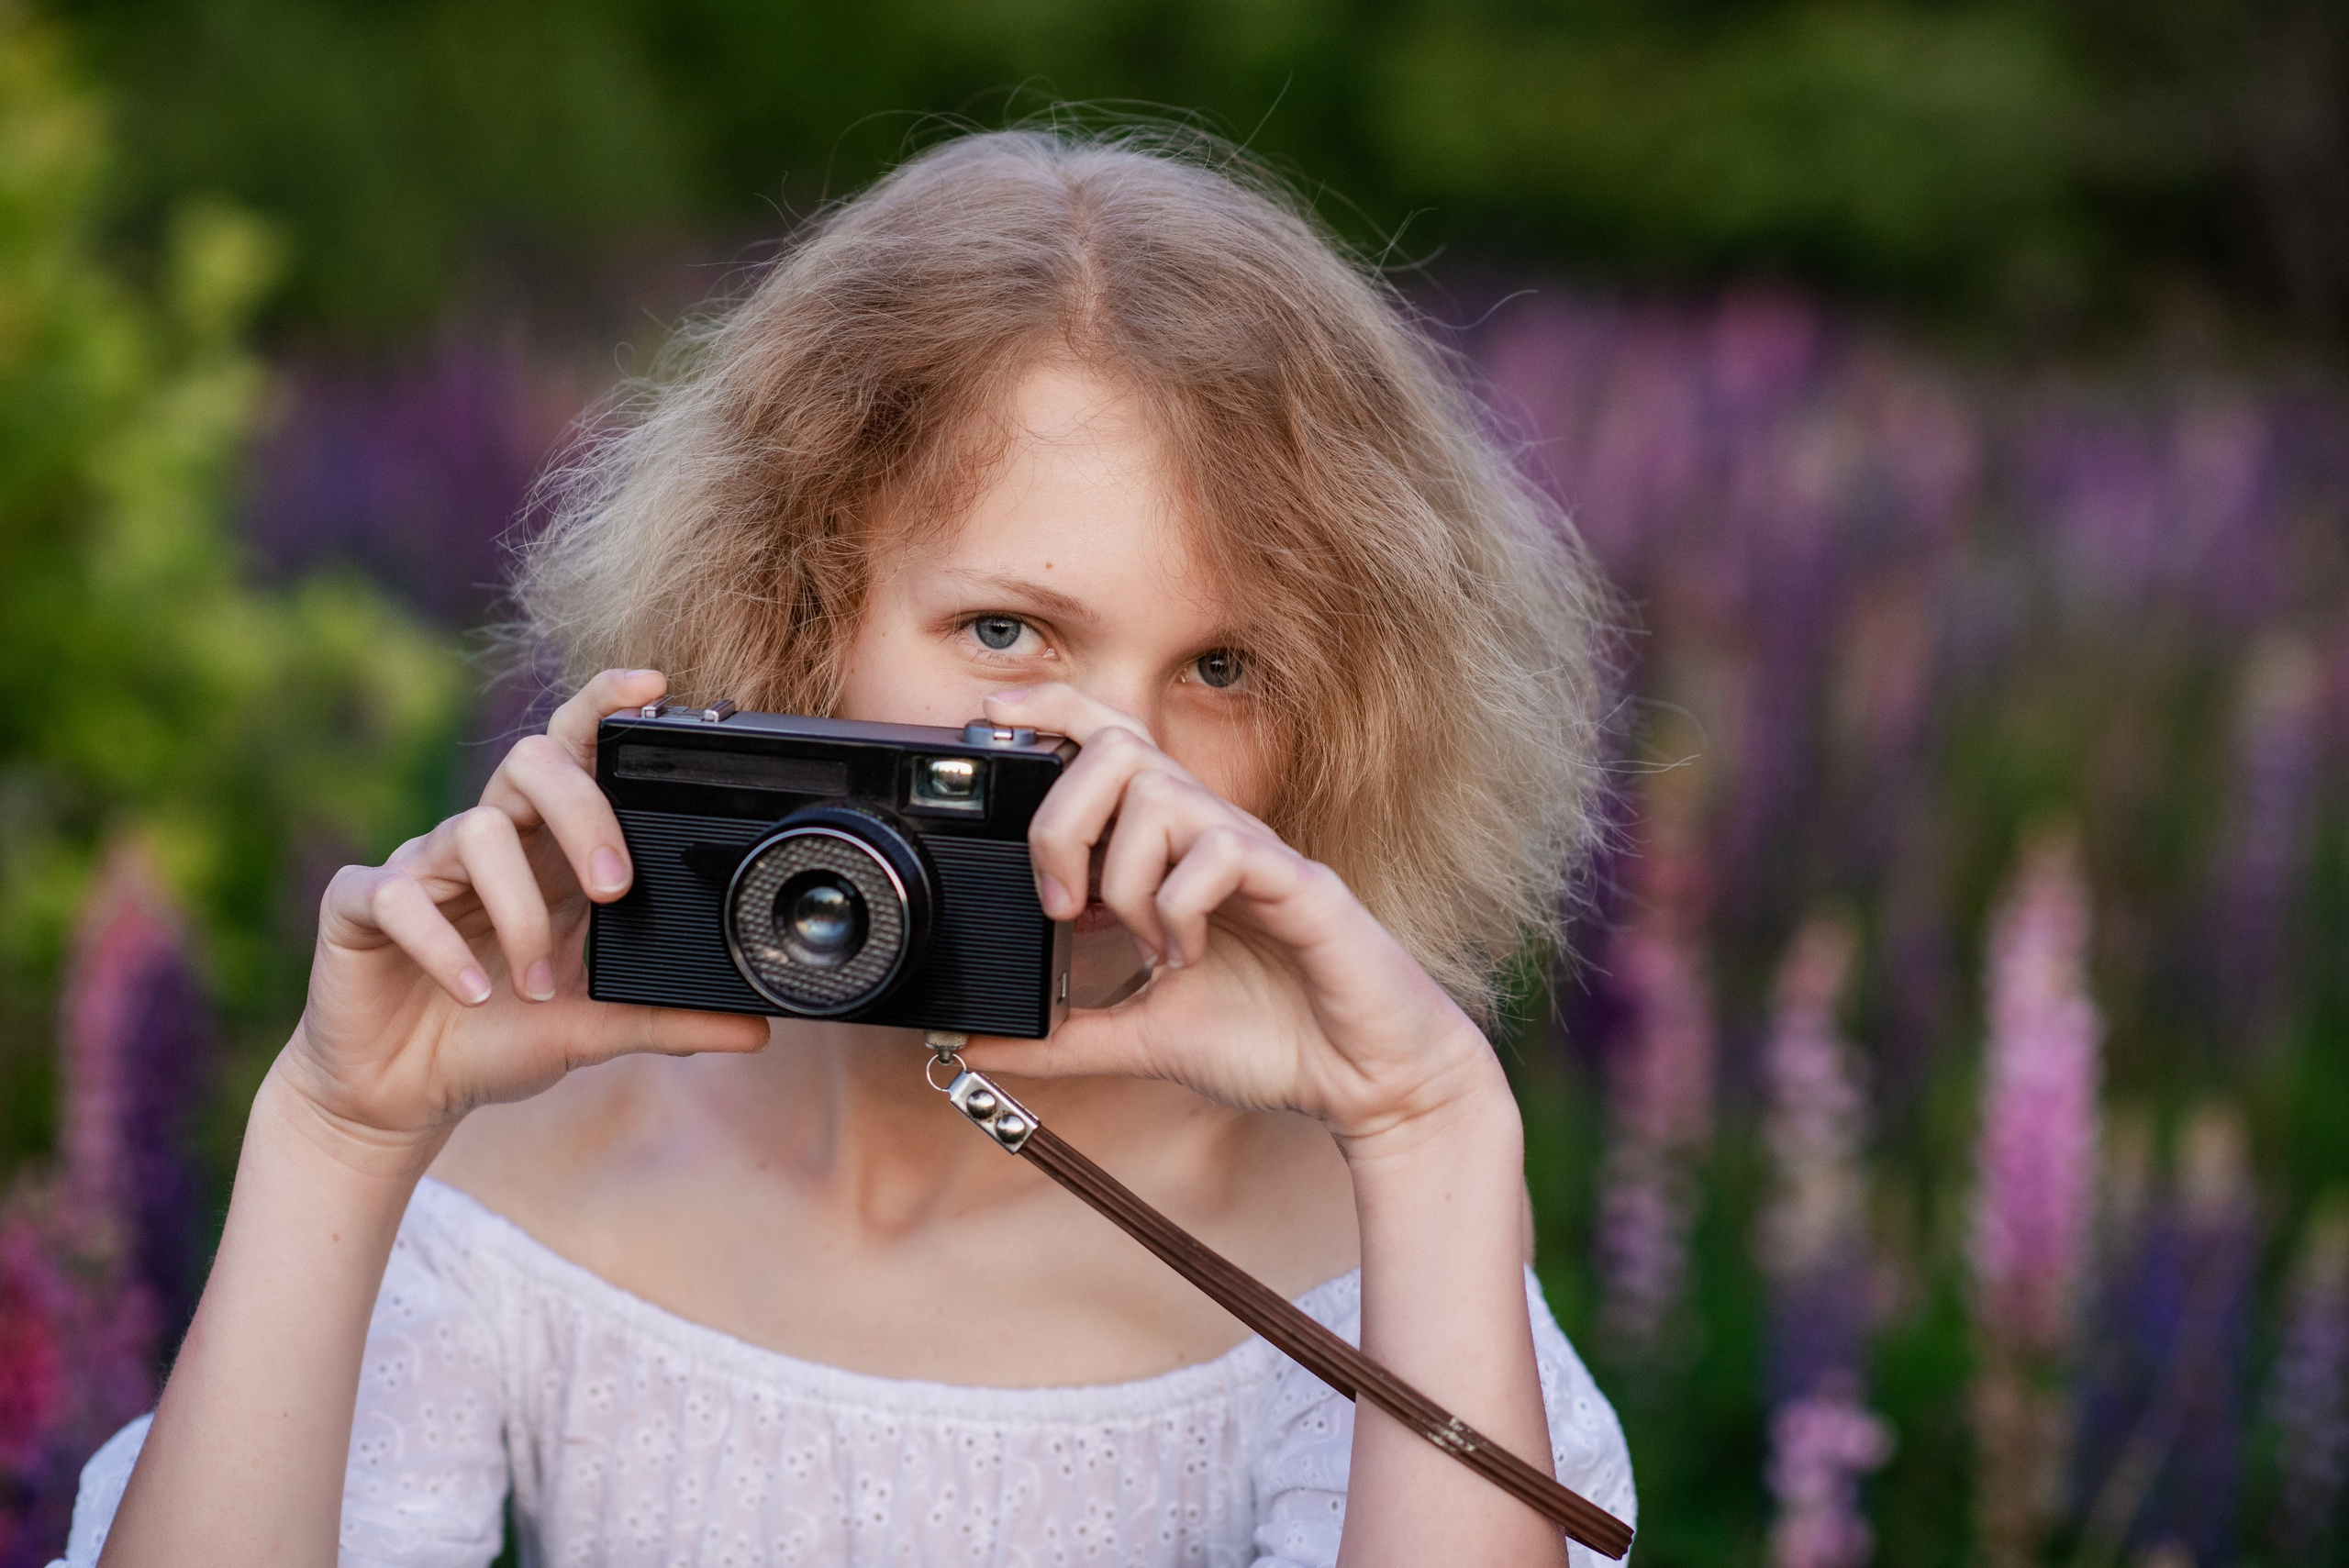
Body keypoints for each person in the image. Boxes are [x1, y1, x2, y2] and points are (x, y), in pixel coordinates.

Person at [64, 128, 1633, 1568]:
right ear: (798, 621)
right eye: (1009, 631)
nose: (1116, 765)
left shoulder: (1378, 1265)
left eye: (1224, 670)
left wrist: (1432, 1129)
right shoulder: (539, 1173)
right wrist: (334, 1136)